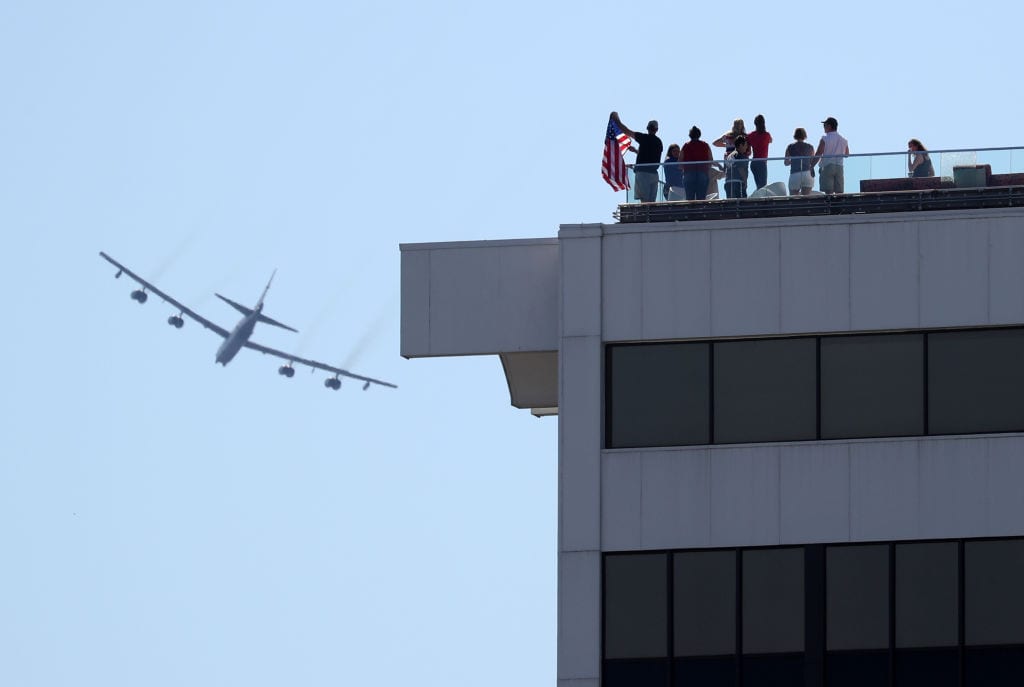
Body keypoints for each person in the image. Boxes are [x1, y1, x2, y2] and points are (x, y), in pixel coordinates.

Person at [610, 112, 663, 203]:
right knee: (652, 202)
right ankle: (650, 217)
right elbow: (650, 156)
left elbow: (626, 131)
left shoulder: (643, 138)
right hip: (654, 174)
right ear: (656, 129)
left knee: (644, 202)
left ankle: (645, 217)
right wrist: (635, 151)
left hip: (643, 174)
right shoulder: (659, 142)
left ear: (647, 128)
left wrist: (616, 120)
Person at [814, 116, 850, 194]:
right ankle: (839, 206)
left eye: (825, 125)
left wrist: (811, 166)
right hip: (839, 167)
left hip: (827, 166)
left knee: (828, 193)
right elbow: (847, 154)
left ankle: (829, 206)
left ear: (829, 126)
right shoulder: (843, 140)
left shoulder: (825, 139)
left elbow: (819, 153)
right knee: (839, 192)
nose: (824, 127)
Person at [680, 126, 713, 201]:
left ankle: (690, 212)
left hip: (689, 174)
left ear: (690, 135)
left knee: (689, 199)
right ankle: (700, 212)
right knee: (701, 199)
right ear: (699, 134)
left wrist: (684, 169)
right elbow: (710, 160)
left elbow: (680, 161)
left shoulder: (686, 146)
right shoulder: (705, 145)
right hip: (702, 174)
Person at [784, 127, 815, 195]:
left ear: (795, 136)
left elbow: (786, 162)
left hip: (795, 174)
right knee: (806, 199)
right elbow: (812, 162)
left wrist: (794, 161)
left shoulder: (790, 147)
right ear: (804, 136)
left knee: (793, 199)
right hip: (807, 173)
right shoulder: (810, 147)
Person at [746, 114, 773, 189]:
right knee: (763, 186)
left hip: (754, 162)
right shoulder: (766, 135)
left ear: (755, 123)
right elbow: (771, 140)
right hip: (762, 162)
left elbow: (748, 150)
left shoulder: (750, 135)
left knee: (759, 186)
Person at [724, 135, 751, 199]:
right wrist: (745, 182)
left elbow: (725, 168)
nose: (746, 147)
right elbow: (741, 169)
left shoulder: (730, 156)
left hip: (728, 183)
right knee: (742, 205)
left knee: (731, 206)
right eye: (745, 145)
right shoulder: (740, 155)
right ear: (741, 145)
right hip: (737, 183)